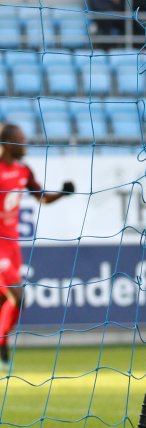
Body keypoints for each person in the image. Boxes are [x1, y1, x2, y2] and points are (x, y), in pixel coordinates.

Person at [0, 124, 74, 363]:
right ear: (9, 144)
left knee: (7, 301)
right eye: (20, 141)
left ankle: (3, 339)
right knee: (18, 298)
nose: (25, 145)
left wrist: (63, 193)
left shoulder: (24, 171)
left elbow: (41, 197)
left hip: (13, 247)